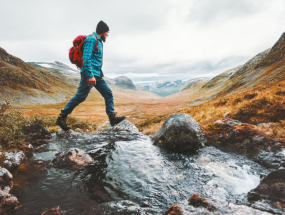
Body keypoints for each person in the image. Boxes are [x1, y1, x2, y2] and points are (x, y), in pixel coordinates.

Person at [56, 20, 126, 130]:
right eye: (107, 32)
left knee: (108, 93)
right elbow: (86, 58)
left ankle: (112, 118)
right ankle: (61, 117)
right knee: (80, 96)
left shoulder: (99, 41)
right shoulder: (91, 39)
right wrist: (90, 75)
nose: (108, 34)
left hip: (97, 75)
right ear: (102, 31)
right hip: (89, 74)